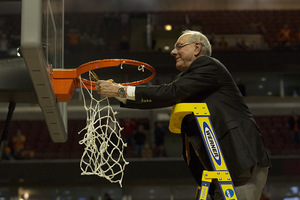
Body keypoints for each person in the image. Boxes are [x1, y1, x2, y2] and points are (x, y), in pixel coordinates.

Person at [95, 30, 271, 200]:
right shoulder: (188, 77)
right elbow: (163, 96)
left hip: (238, 157)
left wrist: (120, 89)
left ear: (197, 48)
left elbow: (170, 92)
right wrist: (118, 93)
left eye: (179, 46)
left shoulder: (209, 66)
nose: (173, 52)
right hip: (224, 166)